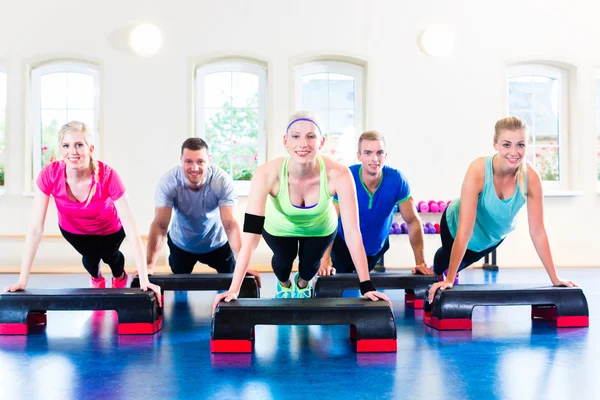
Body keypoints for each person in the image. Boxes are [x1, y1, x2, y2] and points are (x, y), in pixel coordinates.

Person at [212, 111, 391, 312]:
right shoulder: (266, 173)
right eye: (296, 136)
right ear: (285, 141)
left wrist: (367, 286)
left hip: (320, 228)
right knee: (282, 263)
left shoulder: (339, 174)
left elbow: (351, 232)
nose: (303, 143)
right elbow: (251, 235)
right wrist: (233, 289)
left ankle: (303, 284)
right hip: (278, 227)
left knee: (309, 267)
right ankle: (285, 285)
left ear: (321, 142)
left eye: (311, 136)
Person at [4, 121, 161, 304]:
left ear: (90, 148)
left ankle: (119, 277)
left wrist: (144, 279)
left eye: (79, 144)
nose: (73, 151)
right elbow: (35, 229)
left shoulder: (108, 176)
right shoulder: (49, 175)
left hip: (110, 229)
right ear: (60, 150)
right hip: (74, 230)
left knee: (110, 255)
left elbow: (133, 231)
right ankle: (96, 279)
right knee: (90, 259)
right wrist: (22, 280)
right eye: (66, 145)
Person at [427, 116, 576, 304]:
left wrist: (555, 278)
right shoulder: (478, 170)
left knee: (460, 264)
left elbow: (537, 232)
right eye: (507, 145)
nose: (514, 152)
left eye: (520, 145)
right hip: (455, 226)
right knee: (444, 261)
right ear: (495, 145)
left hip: (489, 239)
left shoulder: (532, 179)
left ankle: (451, 269)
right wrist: (448, 280)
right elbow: (465, 230)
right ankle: (438, 270)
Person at [146, 138, 259, 285]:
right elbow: (160, 225)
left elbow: (230, 224)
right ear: (181, 160)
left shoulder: (221, 181)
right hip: (181, 243)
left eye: (200, 161)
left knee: (233, 281)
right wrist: (148, 266)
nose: (194, 168)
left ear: (209, 161)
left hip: (217, 243)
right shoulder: (169, 181)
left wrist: (243, 265)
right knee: (179, 290)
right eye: (189, 161)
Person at [318, 131, 432, 276]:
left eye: (379, 152)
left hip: (375, 250)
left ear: (385, 156)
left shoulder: (396, 180)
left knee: (367, 290)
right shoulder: (347, 177)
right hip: (343, 248)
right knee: (336, 291)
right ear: (359, 156)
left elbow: (413, 220)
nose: (375, 158)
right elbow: (330, 220)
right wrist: (324, 259)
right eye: (368, 153)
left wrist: (420, 263)